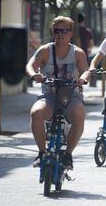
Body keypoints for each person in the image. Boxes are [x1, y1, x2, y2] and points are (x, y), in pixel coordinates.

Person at [26, 16, 90, 170]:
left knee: (80, 114)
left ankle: (68, 155)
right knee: (36, 113)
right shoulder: (45, 50)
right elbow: (30, 65)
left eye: (64, 31)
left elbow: (85, 71)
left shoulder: (77, 53)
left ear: (71, 33)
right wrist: (34, 74)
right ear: (53, 32)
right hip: (49, 96)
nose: (60, 34)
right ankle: (41, 153)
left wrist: (82, 79)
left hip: (71, 96)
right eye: (57, 31)